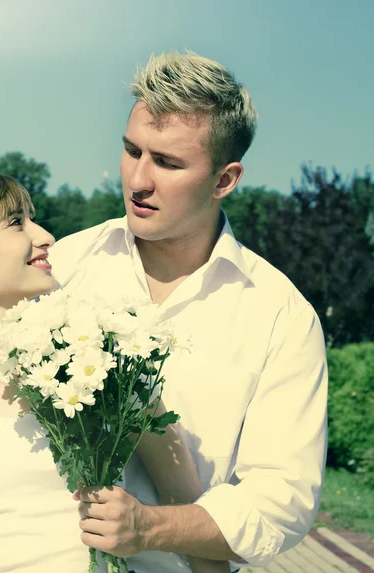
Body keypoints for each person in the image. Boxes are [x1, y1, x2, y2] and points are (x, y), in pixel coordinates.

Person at [49, 51, 328, 573]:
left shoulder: (280, 315)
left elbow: (282, 501)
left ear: (225, 180)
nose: (138, 180)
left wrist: (150, 528)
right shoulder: (63, 266)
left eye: (169, 163)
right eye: (132, 151)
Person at [0, 172, 216, 573]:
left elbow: (194, 521)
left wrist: (150, 529)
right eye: (16, 222)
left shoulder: (102, 367)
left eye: (33, 217)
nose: (46, 236)